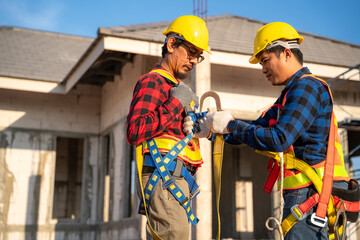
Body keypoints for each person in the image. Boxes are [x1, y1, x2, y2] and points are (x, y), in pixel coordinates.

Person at [184, 22, 351, 239]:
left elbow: (279, 139)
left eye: (265, 60)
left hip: (312, 197)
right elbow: (256, 130)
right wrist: (211, 130)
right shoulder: (290, 95)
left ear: (287, 53)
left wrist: (230, 125)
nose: (262, 68)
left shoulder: (306, 88)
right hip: (309, 197)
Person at [126, 15, 211, 240]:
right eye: (191, 52)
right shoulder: (152, 82)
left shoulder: (175, 87)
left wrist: (197, 127)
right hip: (164, 177)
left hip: (175, 179)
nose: (194, 61)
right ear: (172, 44)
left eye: (198, 56)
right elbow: (135, 130)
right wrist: (175, 103)